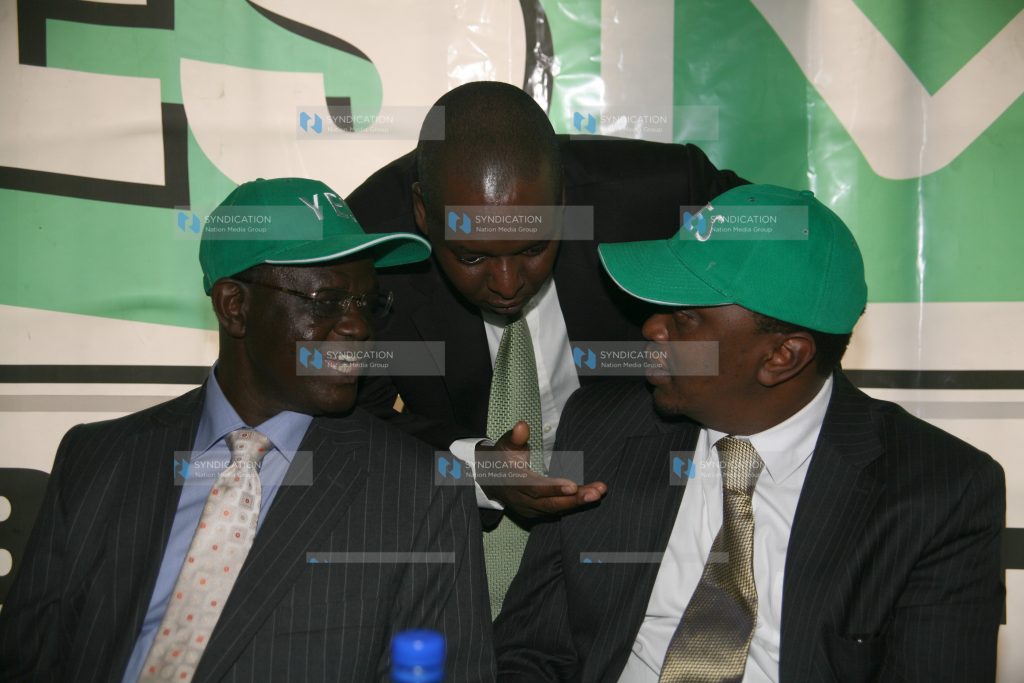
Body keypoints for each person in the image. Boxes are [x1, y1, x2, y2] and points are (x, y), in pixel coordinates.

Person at [493, 184, 1005, 681]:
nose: (652, 328)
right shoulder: (605, 426)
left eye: (685, 317)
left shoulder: (939, 495)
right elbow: (531, 652)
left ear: (782, 357)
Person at [0, 178, 496, 682]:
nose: (357, 328)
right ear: (234, 306)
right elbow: (25, 660)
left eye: (367, 303)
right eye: (327, 301)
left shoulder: (422, 491)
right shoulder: (97, 459)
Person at [346, 81, 747, 615]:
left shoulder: (658, 191)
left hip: (647, 497)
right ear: (423, 214)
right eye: (471, 258)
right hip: (460, 536)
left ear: (562, 200)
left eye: (535, 247)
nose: (508, 283)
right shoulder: (369, 249)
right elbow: (350, 417)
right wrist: (473, 466)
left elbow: (798, 255)